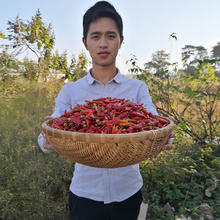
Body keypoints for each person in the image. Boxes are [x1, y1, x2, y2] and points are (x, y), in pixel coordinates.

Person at [38, 1, 174, 219]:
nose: (103, 43)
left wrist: (166, 136)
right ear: (85, 42)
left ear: (121, 40)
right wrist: (45, 141)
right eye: (95, 36)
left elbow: (154, 123)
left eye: (111, 36)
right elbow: (52, 128)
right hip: (84, 194)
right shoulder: (71, 91)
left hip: (129, 193)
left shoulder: (137, 88)